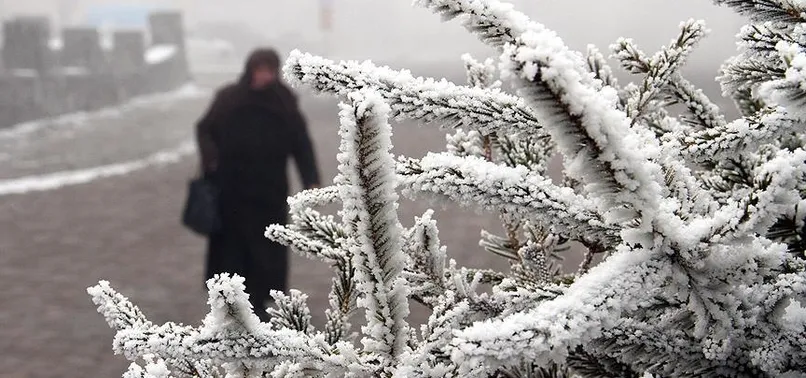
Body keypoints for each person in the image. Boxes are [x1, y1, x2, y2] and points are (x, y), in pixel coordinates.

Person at [195, 48, 320, 322]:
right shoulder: (229, 98)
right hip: (232, 189)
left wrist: (310, 176)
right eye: (260, 69)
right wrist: (211, 160)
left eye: (270, 70)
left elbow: (301, 142)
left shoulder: (284, 102)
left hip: (269, 189)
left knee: (267, 247)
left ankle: (262, 299)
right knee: (231, 247)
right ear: (250, 69)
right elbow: (205, 129)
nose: (265, 76)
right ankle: (228, 299)